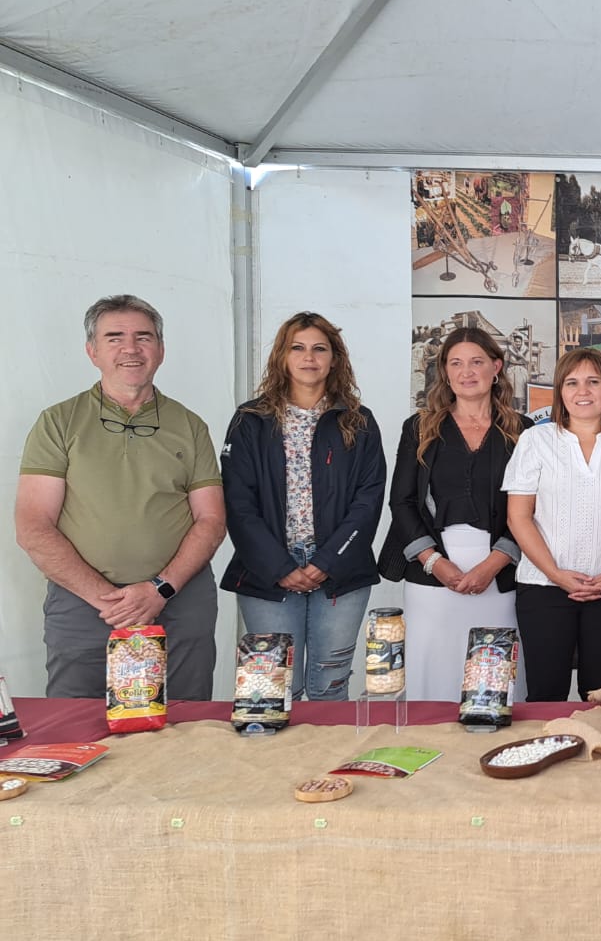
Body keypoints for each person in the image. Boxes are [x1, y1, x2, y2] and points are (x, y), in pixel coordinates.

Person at [15, 296, 226, 700]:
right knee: (77, 728)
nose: (130, 349)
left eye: (143, 337)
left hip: (179, 601)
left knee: (188, 727)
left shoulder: (190, 425)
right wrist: (110, 601)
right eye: (115, 338)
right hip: (84, 604)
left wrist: (159, 590)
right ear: (92, 351)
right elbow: (33, 525)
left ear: (161, 350)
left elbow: (211, 521)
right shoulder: (58, 422)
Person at [219, 313, 386, 701]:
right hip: (267, 572)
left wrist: (326, 562)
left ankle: (325, 763)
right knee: (273, 690)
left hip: (340, 573)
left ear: (334, 358)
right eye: (298, 348)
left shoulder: (358, 421)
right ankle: (276, 765)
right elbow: (237, 502)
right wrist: (279, 567)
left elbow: (369, 499)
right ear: (282, 356)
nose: (308, 358)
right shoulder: (250, 420)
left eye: (318, 348)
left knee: (330, 686)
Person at [378, 327, 533, 699]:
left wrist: (493, 564)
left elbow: (532, 508)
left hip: (501, 575)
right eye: (456, 363)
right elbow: (402, 502)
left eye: (477, 362)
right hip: (430, 574)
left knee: (496, 679)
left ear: (496, 367)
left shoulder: (523, 431)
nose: (467, 372)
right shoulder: (418, 428)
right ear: (445, 372)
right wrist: (435, 563)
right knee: (433, 674)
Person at [504, 347, 601, 701]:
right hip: (544, 589)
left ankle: (596, 756)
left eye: (593, 381)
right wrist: (555, 573)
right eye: (572, 383)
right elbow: (518, 517)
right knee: (545, 693)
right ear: (560, 392)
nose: (583, 391)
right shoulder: (535, 440)